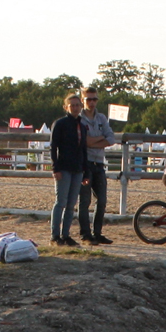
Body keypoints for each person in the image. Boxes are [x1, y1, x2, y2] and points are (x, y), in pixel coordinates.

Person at [50, 93, 90, 246]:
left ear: (81, 107)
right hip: (64, 168)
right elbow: (54, 147)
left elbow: (84, 149)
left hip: (78, 169)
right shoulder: (60, 124)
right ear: (66, 107)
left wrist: (86, 171)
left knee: (72, 204)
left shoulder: (82, 125)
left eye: (77, 105)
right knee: (61, 202)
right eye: (72, 105)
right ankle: (55, 235)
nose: (75, 107)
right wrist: (56, 168)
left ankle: (66, 234)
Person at [77, 87, 116, 245]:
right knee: (84, 201)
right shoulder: (78, 119)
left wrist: (92, 141)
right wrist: (100, 140)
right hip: (84, 163)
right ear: (82, 100)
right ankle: (85, 234)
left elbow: (111, 138)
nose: (92, 102)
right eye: (89, 99)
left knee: (102, 200)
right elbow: (82, 141)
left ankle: (97, 232)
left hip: (99, 163)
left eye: (94, 99)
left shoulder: (101, 118)